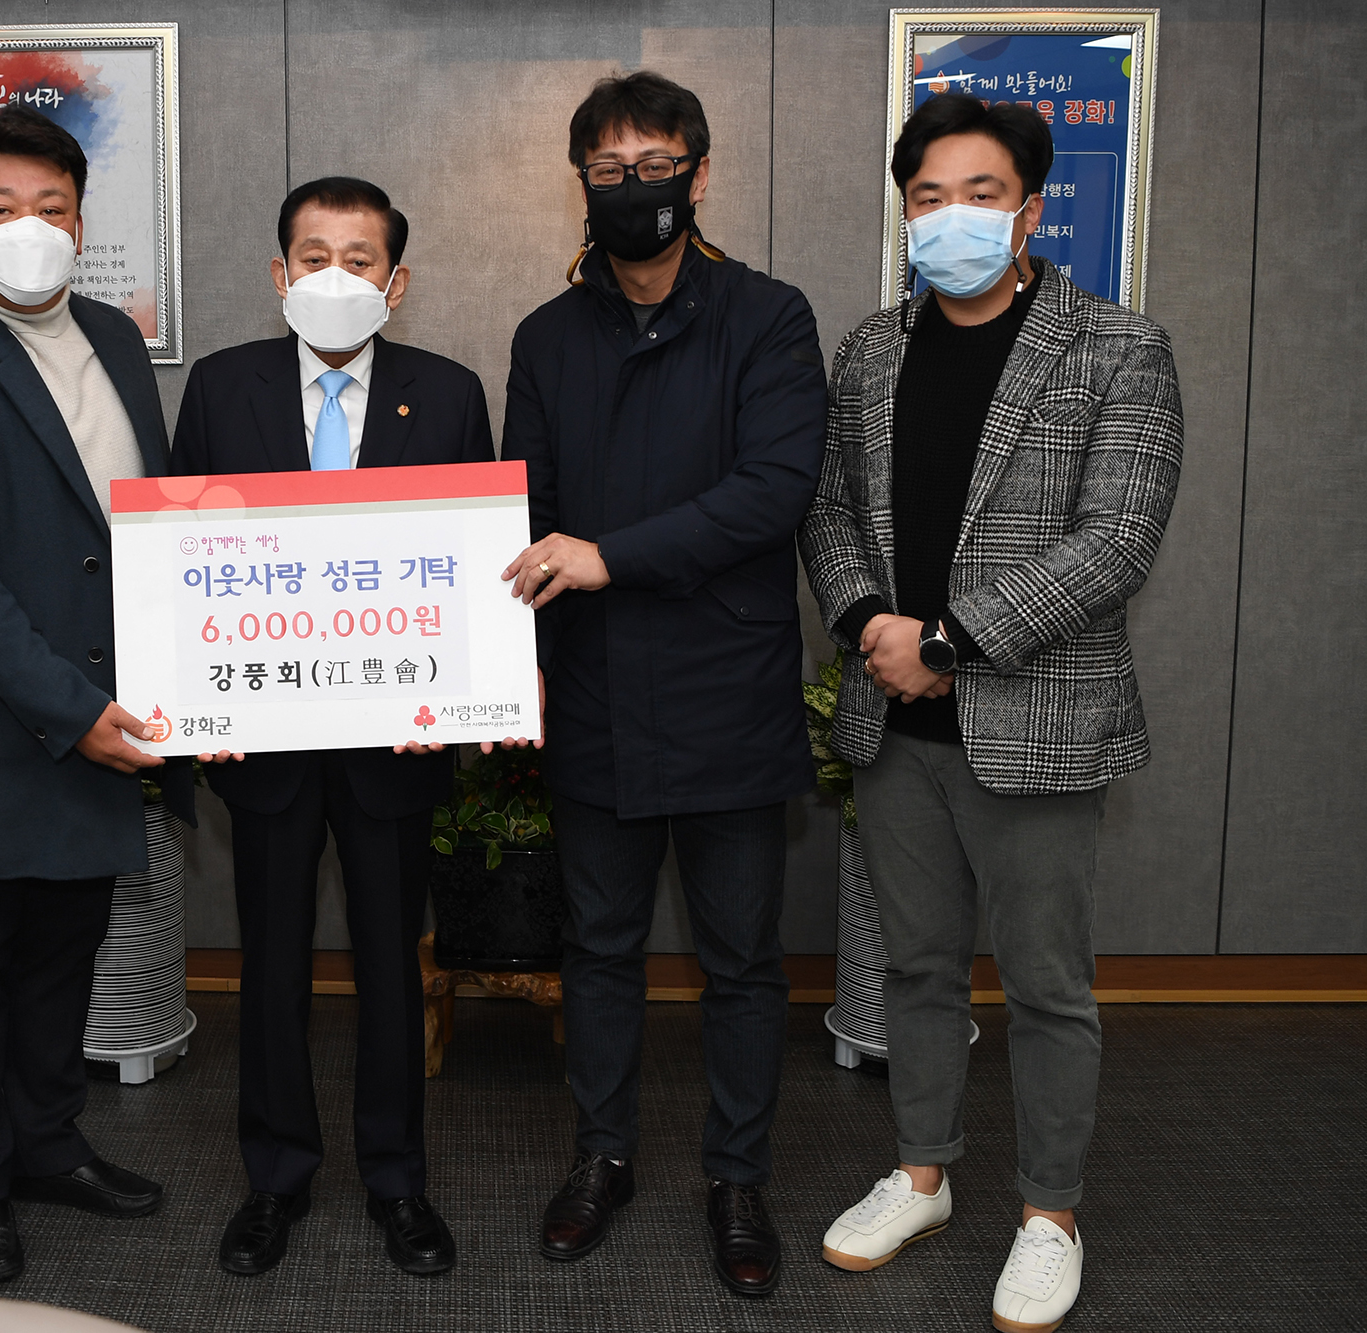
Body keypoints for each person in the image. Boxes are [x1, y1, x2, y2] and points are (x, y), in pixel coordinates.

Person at [800, 94, 1184, 1333]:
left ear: (1028, 209)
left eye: (979, 193)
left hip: (1035, 724)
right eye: (927, 196)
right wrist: (869, 623)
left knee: (1044, 984)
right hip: (894, 725)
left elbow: (1115, 539)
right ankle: (921, 1176)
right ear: (903, 214)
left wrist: (947, 643)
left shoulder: (1115, 347)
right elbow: (827, 510)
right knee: (915, 966)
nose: (951, 215)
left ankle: (1047, 1212)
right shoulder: (871, 349)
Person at [496, 72, 828, 1298]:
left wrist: (609, 556)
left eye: (655, 164)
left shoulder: (767, 317)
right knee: (598, 947)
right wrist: (511, 671)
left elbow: (771, 492)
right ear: (579, 182)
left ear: (699, 172)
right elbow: (523, 512)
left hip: (725, 689)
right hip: (592, 687)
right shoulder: (546, 336)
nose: (632, 187)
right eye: (607, 169)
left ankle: (736, 1177)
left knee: (740, 958)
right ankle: (603, 1156)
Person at [0, 107, 202, 1285]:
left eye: (50, 208)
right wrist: (70, 712)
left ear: (80, 220)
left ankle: (49, 1143)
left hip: (110, 719)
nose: (28, 228)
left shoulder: (112, 338)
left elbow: (146, 533)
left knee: (67, 953)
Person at [169, 176, 495, 1278]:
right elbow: (182, 562)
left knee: (391, 966)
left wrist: (453, 696)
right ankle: (275, 1176)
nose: (335, 276)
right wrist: (197, 701)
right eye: (314, 257)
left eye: (360, 260)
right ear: (279, 274)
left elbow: (470, 568)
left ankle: (397, 1180)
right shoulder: (222, 387)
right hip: (261, 741)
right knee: (271, 963)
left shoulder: (448, 394)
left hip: (395, 743)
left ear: (395, 284)